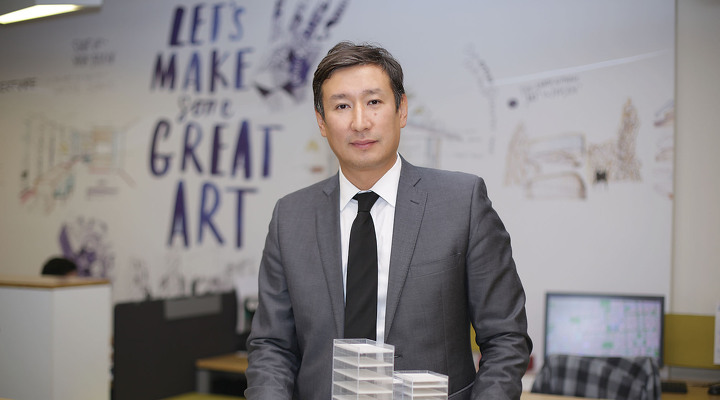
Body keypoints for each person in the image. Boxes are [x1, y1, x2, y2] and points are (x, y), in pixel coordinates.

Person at [245, 41, 532, 400]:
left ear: (402, 110)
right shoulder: (290, 217)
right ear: (321, 121)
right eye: (342, 106)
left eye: (374, 102)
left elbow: (506, 338)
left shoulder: (462, 202)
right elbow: (272, 347)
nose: (360, 122)